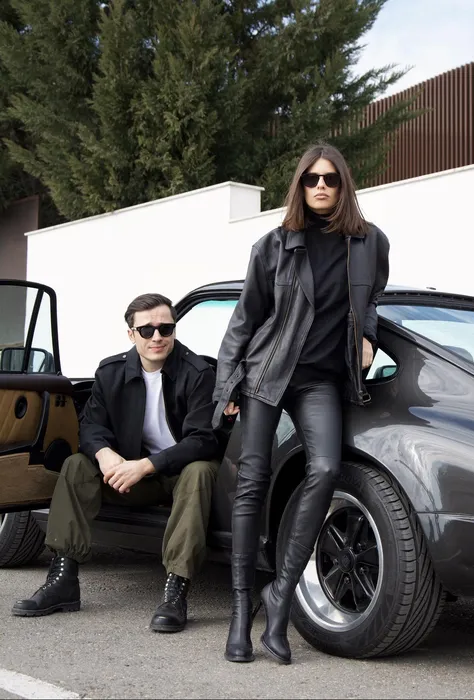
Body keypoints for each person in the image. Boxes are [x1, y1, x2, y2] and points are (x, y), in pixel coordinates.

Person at [213, 143, 390, 664]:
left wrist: (368, 336)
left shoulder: (370, 242)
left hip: (320, 381)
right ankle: (241, 613)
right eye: (312, 179)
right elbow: (245, 319)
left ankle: (281, 595)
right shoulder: (274, 244)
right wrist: (226, 386)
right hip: (267, 375)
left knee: (326, 468)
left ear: (343, 185)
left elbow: (373, 298)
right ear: (299, 185)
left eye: (330, 179)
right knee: (253, 481)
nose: (320, 187)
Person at [12, 293, 221, 633]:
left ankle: (175, 592)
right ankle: (63, 579)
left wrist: (146, 465)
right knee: (77, 465)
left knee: (200, 470)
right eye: (147, 330)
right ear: (131, 334)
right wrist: (104, 453)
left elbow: (203, 440)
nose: (157, 337)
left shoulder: (198, 373)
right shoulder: (111, 372)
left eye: (166, 329)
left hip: (179, 474)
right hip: (132, 476)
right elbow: (90, 425)